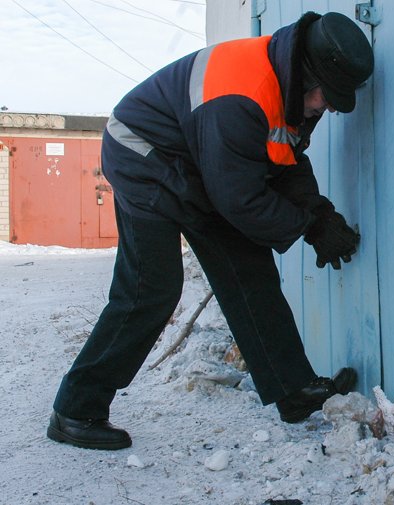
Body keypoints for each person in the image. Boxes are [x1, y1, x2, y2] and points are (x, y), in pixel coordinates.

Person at [46, 11, 374, 450]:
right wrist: (308, 226)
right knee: (151, 287)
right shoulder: (240, 99)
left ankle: (293, 391)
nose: (329, 107)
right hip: (143, 154)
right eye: (328, 96)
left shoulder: (290, 89)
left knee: (248, 268)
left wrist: (319, 213)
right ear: (307, 75)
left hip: (198, 160)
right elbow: (239, 199)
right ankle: (75, 409)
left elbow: (284, 160)